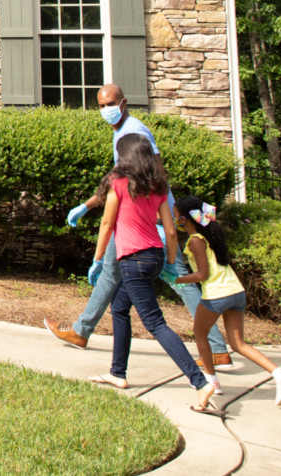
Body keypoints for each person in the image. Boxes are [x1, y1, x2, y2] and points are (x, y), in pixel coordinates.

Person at [43, 84, 230, 368]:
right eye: (102, 105)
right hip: (144, 218)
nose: (106, 109)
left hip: (147, 219)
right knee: (113, 273)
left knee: (175, 279)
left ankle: (216, 348)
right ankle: (82, 331)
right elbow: (119, 182)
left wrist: (157, 218)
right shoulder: (122, 131)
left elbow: (154, 177)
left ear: (124, 101)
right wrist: (87, 205)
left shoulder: (133, 132)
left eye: (111, 103)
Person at [87, 133, 215, 408]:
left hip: (133, 262)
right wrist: (169, 262)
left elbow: (107, 224)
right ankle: (117, 373)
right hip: (154, 256)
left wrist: (97, 260)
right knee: (119, 308)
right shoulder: (158, 186)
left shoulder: (118, 183)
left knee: (155, 323)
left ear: (125, 156)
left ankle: (200, 382)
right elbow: (170, 230)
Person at [170, 196, 281, 407]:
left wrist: (175, 279)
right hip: (236, 292)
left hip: (217, 295)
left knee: (201, 335)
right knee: (238, 343)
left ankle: (212, 383)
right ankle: (280, 376)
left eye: (177, 219)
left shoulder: (195, 241)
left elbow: (202, 275)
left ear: (186, 220)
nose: (176, 222)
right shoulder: (210, 238)